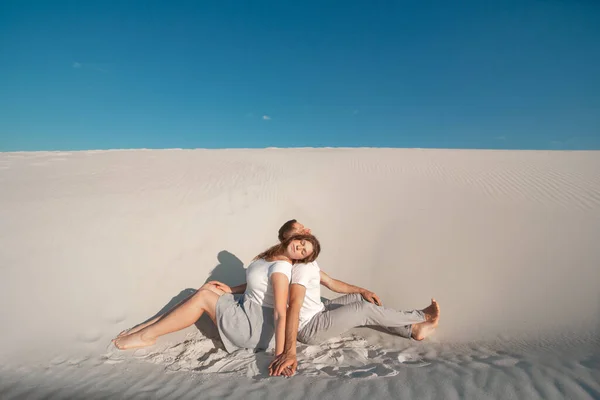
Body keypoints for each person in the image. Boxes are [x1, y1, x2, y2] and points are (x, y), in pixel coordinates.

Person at [268, 220, 441, 377]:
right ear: (293, 237)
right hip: (310, 328)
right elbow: (294, 308)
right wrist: (290, 352)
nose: (307, 228)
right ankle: (420, 316)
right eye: (301, 229)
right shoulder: (300, 269)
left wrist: (363, 291)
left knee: (363, 300)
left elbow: (331, 282)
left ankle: (412, 330)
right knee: (363, 310)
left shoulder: (307, 258)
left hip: (321, 311)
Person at [113, 234, 321, 357]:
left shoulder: (281, 269)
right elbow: (257, 284)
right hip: (247, 307)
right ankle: (145, 328)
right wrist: (231, 290)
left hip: (253, 326)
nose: (300, 247)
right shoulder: (273, 256)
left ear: (300, 259)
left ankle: (147, 336)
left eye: (303, 252)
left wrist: (282, 354)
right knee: (205, 290)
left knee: (203, 298)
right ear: (295, 238)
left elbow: (280, 312)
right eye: (302, 242)